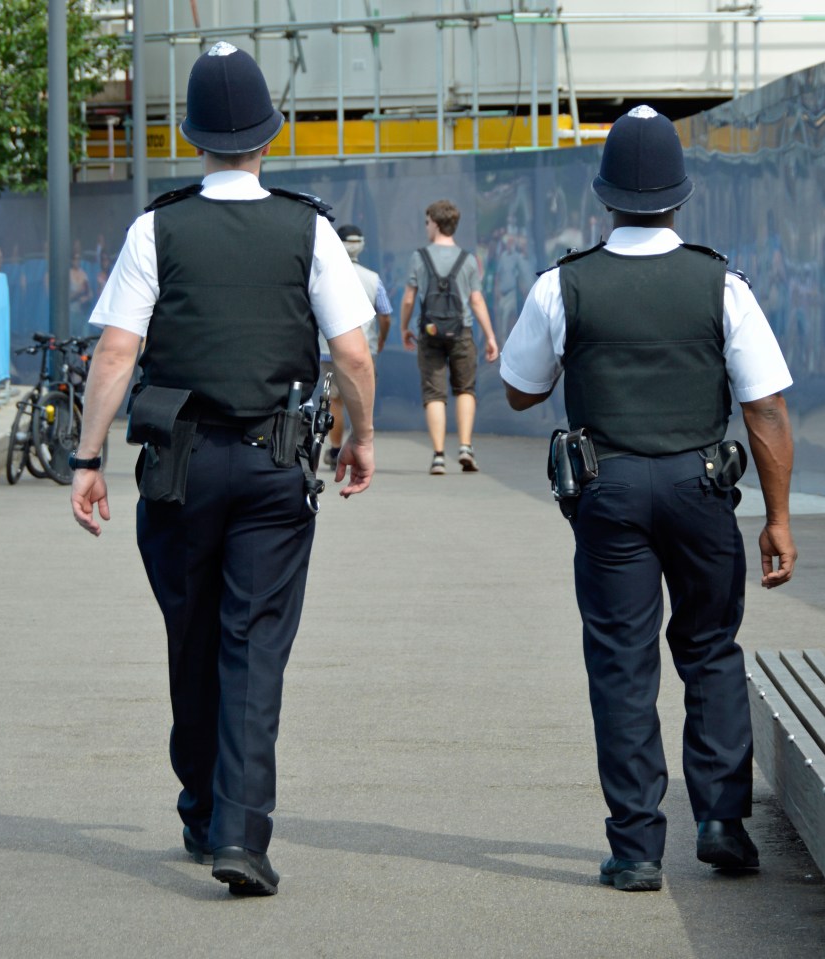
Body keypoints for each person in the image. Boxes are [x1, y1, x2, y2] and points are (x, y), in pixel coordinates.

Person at [69, 42, 376, 897]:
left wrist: (87, 457)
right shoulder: (308, 225)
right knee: (253, 648)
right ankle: (239, 833)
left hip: (176, 469)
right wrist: (361, 436)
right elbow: (351, 352)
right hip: (275, 470)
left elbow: (117, 351)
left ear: (190, 136)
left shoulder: (154, 226)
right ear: (268, 138)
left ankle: (203, 809)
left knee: (192, 635)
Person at [499, 105, 797, 892]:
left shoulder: (562, 283)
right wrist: (777, 517)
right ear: (680, 194)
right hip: (702, 486)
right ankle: (722, 821)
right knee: (709, 647)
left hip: (609, 490)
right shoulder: (720, 283)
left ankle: (634, 847)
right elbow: (764, 407)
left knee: (622, 664)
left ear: (604, 197)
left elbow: (520, 392)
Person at [400, 199, 499, 474]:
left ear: (435, 223)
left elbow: (409, 299)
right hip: (462, 331)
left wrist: (404, 327)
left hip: (429, 332)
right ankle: (465, 447)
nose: (426, 227)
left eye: (427, 222)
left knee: (434, 393)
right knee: (465, 388)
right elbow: (477, 300)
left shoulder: (419, 257)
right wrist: (490, 336)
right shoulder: (467, 259)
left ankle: (439, 456)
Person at [319, 223, 391, 468]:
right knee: (362, 400)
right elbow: (385, 314)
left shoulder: (324, 274)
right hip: (365, 348)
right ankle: (360, 443)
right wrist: (380, 339)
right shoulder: (373, 279)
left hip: (328, 348)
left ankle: (336, 448)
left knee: (335, 401)